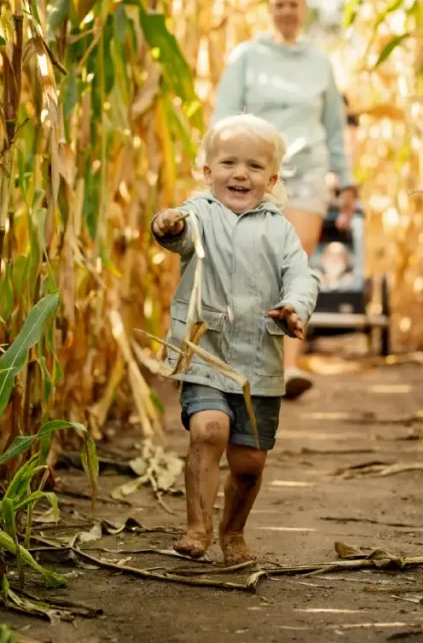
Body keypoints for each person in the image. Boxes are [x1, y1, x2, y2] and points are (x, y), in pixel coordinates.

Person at [150, 113, 319, 565]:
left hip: (258, 362)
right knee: (209, 429)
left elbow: (302, 277)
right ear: (207, 172)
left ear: (271, 178)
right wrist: (167, 225)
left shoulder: (280, 229)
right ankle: (196, 528)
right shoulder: (199, 214)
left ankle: (233, 531)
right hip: (205, 350)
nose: (240, 174)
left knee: (249, 464)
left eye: (253, 167)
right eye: (227, 163)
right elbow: (177, 233)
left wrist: (293, 308)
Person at [210, 0, 357, 400]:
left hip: (309, 170)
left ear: (303, 8)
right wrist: (220, 172)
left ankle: (288, 368)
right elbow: (223, 119)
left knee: (294, 261)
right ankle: (245, 363)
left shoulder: (319, 63)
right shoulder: (247, 58)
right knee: (253, 265)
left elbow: (333, 127)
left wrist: (345, 180)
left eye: (294, 4)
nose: (287, 11)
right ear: (270, 9)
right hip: (255, 172)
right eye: (280, 5)